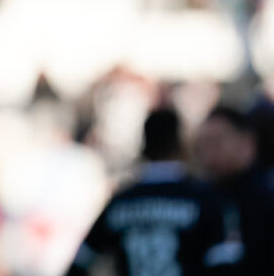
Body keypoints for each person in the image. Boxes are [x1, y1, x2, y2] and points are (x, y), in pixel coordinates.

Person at [65, 106, 241, 276]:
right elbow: (224, 264)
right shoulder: (203, 198)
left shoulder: (121, 201)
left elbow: (81, 261)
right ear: (180, 143)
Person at [195, 104, 274, 276]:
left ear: (247, 143)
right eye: (203, 144)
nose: (209, 153)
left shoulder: (265, 199)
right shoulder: (199, 199)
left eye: (217, 142)